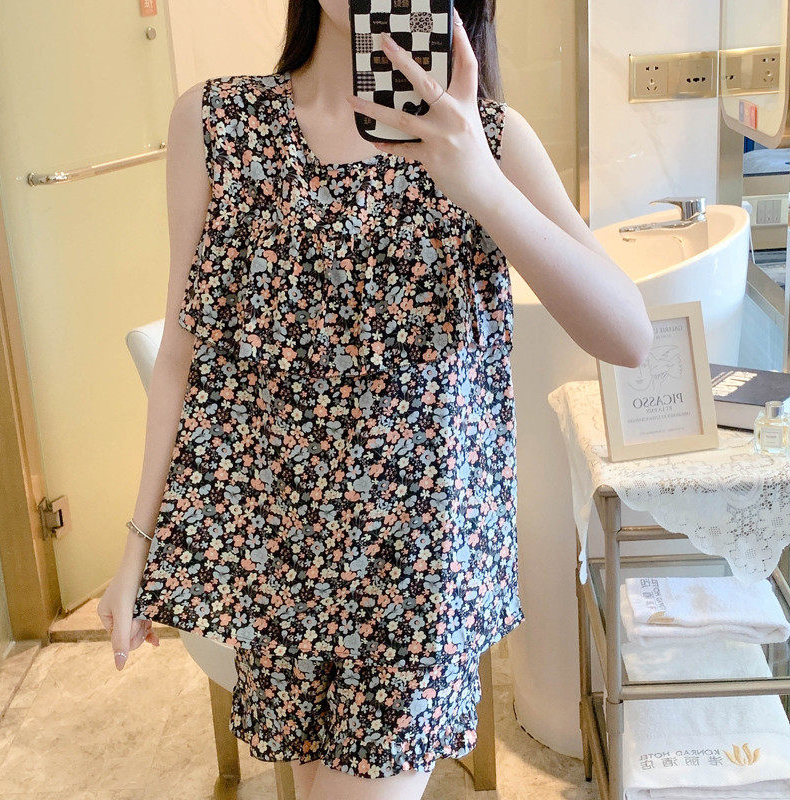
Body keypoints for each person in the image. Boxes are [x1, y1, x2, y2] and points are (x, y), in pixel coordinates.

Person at [97, 1, 653, 798]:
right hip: (280, 563)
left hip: (418, 576)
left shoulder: (485, 138)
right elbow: (184, 354)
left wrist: (480, 184)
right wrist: (137, 550)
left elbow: (628, 335)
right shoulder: (216, 124)